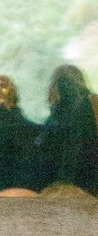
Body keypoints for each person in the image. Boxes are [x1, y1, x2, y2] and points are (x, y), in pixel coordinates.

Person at [34, 65, 98, 194]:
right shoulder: (91, 104)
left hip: (71, 186)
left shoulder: (61, 114)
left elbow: (72, 151)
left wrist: (64, 184)